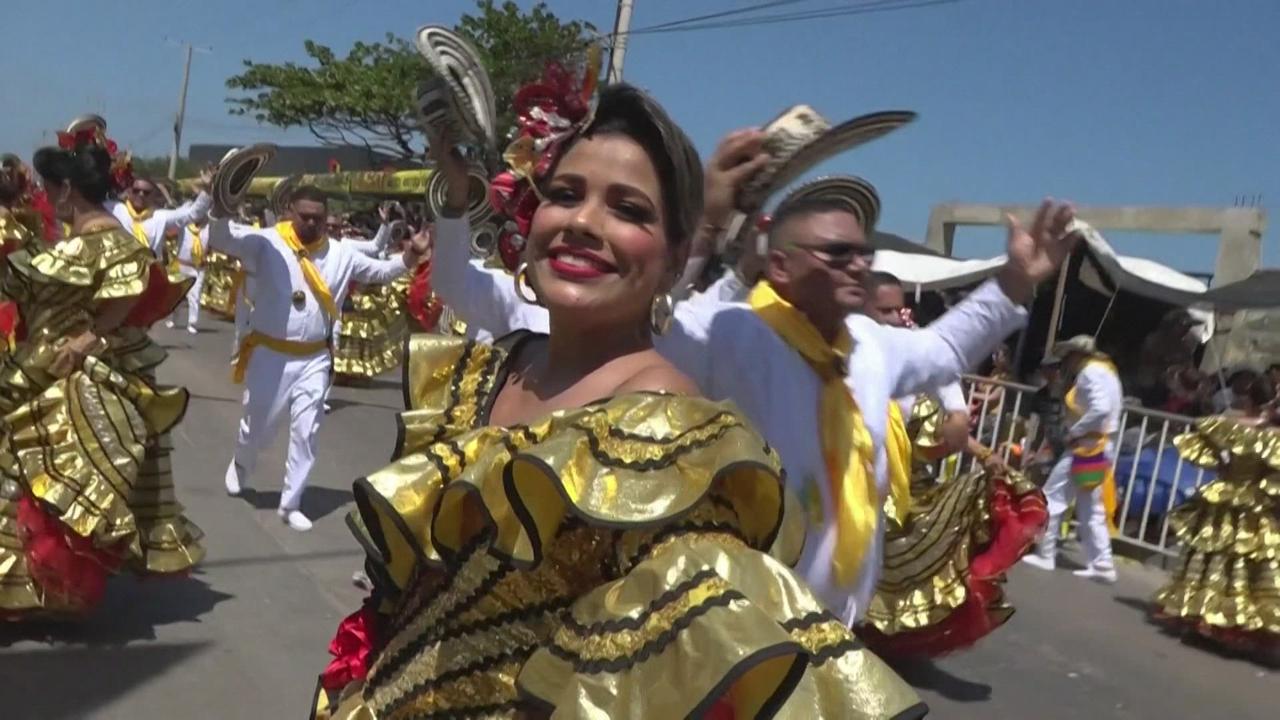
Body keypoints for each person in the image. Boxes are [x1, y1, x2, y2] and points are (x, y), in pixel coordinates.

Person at [312, 81, 926, 720]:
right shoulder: (488, 368)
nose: (582, 222)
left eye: (629, 209)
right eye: (565, 194)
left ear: (675, 258)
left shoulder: (668, 435)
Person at [431, 115, 1078, 625]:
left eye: (864, 252)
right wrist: (709, 222)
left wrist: (1015, 282)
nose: (859, 264)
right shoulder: (734, 334)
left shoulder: (871, 347)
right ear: (782, 267)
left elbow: (941, 353)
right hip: (736, 632)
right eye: (838, 251)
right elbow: (652, 319)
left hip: (837, 628)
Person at [0, 136, 203, 617]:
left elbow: (110, 297)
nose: (47, 200)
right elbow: (128, 297)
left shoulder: (98, 244)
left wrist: (86, 338)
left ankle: (30, 581)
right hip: (92, 364)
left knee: (33, 465)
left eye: (51, 191)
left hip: (62, 369)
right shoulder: (109, 241)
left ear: (67, 189)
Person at [207, 186, 424, 531]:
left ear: (327, 217)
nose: (310, 223)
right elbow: (220, 240)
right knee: (257, 423)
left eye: (318, 218)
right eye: (304, 216)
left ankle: (291, 502)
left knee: (307, 432)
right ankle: (241, 461)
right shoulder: (265, 243)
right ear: (290, 212)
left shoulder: (342, 254)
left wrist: (411, 255)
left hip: (314, 358)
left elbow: (380, 273)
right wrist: (219, 208)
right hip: (270, 354)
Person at [1152, 410, 1279, 662]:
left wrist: (1224, 465)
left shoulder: (1234, 425)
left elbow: (1207, 438)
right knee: (1234, 563)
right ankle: (1224, 624)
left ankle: (1211, 621)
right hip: (1249, 507)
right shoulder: (1267, 436)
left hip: (1229, 502)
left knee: (1218, 560)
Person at [1023, 334, 1122, 583]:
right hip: (1098, 444)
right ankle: (1102, 564)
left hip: (1084, 444)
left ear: (1078, 355)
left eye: (1068, 356)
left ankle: (1046, 554)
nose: (1066, 361)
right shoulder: (1108, 372)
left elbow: (1100, 409)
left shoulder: (1090, 373)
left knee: (1052, 496)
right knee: (1091, 508)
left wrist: (1075, 431)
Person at [168, 215, 208, 333]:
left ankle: (192, 323)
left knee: (195, 296)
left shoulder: (208, 228)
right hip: (182, 265)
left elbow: (211, 244)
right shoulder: (184, 227)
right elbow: (171, 231)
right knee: (177, 295)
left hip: (198, 268)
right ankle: (174, 319)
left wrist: (206, 254)